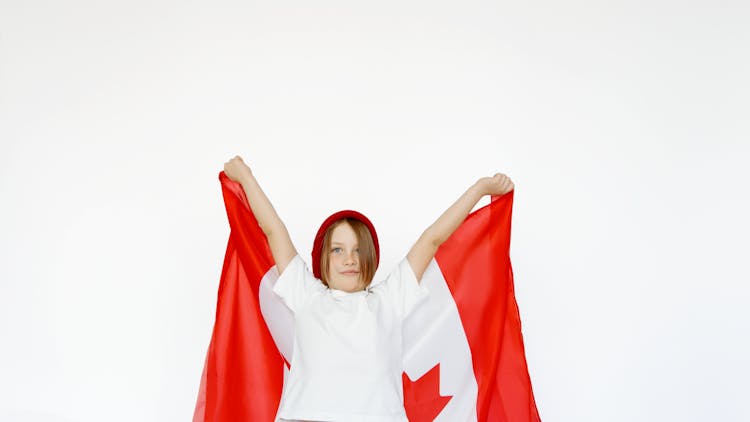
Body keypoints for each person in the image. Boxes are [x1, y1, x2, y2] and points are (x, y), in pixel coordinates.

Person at [223, 155, 514, 422]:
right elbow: (273, 229)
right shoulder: (306, 294)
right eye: (337, 250)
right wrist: (246, 177)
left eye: (358, 250)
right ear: (321, 257)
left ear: (371, 258)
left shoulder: (389, 299)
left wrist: (479, 189)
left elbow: (432, 240)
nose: (349, 259)